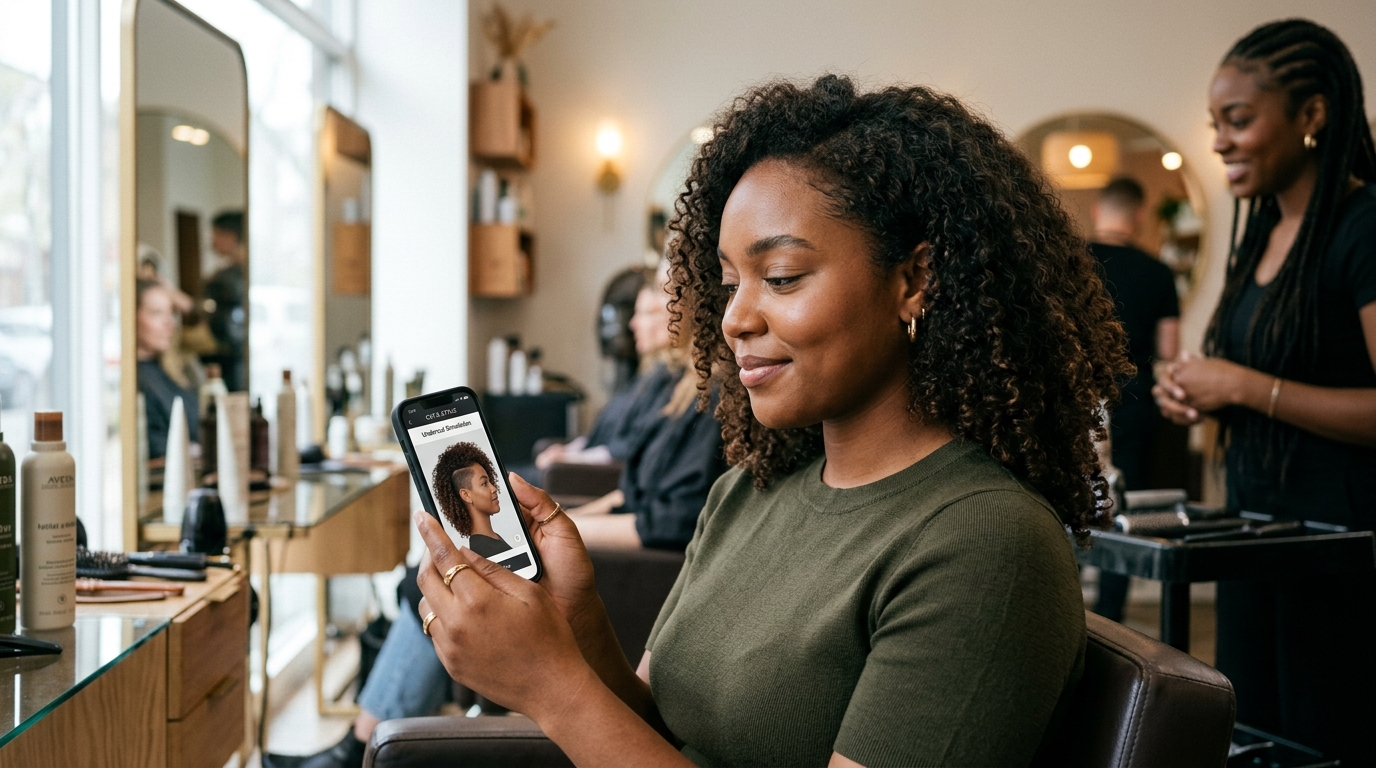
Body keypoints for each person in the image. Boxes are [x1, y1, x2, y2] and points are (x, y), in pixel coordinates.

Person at [411, 74, 1130, 767]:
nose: (733, 319)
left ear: (913, 281)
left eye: (781, 277)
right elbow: (661, 734)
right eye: (727, 283)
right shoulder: (748, 493)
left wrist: (549, 688)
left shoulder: (984, 544)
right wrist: (580, 621)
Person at [277, 268, 727, 768]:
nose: (639, 322)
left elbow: (669, 518)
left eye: (655, 307)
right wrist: (562, 517)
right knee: (429, 580)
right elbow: (632, 491)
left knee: (434, 581)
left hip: (635, 570)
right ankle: (357, 741)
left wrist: (567, 528)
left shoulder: (705, 401)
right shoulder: (672, 391)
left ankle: (355, 746)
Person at [1154, 19, 1376, 764]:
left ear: (1312, 115)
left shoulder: (1363, 227)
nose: (1219, 141)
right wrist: (1200, 395)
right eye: (1215, 123)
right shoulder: (1260, 238)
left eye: (1238, 120)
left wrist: (1248, 385)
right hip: (1253, 536)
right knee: (1254, 740)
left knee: (1328, 739)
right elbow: (1246, 384)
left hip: (1339, 555)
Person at [1088, 177, 1180, 622]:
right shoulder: (1158, 272)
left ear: (1096, 211)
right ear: (1140, 215)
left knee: (1064, 504)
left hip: (1076, 396)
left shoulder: (1070, 262)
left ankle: (1063, 612)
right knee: (1123, 513)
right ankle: (1109, 619)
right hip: (1135, 399)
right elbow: (1169, 351)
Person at [135, 278, 199, 460]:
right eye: (156, 313)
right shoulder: (136, 381)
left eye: (171, 313)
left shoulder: (176, 372)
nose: (169, 322)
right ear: (132, 317)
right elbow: (153, 445)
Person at [432, 442, 511, 559]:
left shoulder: (492, 541)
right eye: (484, 483)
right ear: (466, 495)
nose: (494, 489)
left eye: (490, 482)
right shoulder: (484, 551)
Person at [203, 210, 247, 390]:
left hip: (233, 357)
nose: (212, 242)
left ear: (230, 236)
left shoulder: (232, 276)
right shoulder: (227, 271)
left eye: (216, 235)